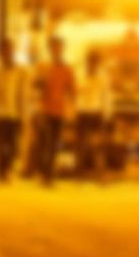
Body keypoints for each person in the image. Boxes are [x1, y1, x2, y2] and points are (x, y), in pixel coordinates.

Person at [32, 35, 76, 188]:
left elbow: (72, 91)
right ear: (49, 49)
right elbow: (35, 86)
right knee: (46, 142)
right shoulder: (43, 66)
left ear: (62, 49)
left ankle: (46, 174)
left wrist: (71, 110)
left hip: (59, 111)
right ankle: (46, 175)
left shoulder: (67, 68)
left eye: (59, 47)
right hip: (44, 110)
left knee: (53, 144)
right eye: (53, 47)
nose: (56, 49)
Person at [0, 38, 30, 186]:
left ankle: (7, 170)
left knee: (11, 147)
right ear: (0, 53)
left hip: (14, 115)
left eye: (10, 49)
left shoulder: (20, 72)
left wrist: (24, 116)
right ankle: (1, 174)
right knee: (1, 146)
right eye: (4, 50)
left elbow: (23, 95)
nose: (7, 53)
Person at [75, 49, 114, 182]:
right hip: (83, 112)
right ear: (88, 61)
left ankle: (100, 174)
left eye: (95, 61)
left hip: (96, 113)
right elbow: (75, 92)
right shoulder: (80, 74)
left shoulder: (103, 76)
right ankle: (79, 173)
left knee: (98, 145)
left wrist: (107, 114)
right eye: (91, 60)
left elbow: (106, 96)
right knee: (82, 144)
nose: (93, 63)